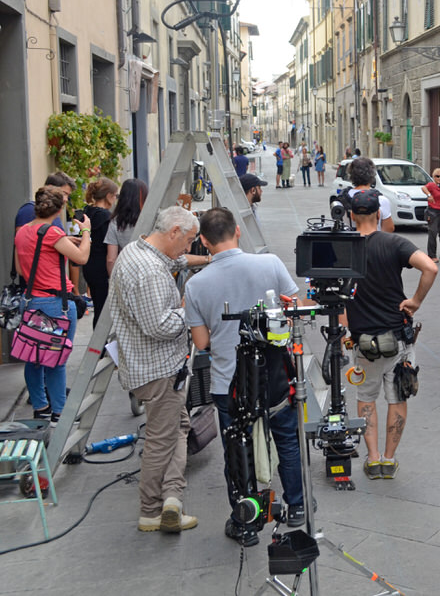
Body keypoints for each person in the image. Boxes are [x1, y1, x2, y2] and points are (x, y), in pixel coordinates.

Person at [183, 208, 305, 547]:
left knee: (238, 450)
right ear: (238, 231)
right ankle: (296, 506)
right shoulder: (270, 264)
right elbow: (293, 309)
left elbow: (201, 343)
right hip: (275, 376)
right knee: (287, 440)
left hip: (229, 382)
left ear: (203, 241)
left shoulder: (195, 285)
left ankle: (246, 522)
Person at [106, 206, 201, 533]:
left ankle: (172, 497)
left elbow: (174, 260)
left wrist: (208, 259)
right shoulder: (149, 272)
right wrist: (190, 310)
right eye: (188, 240)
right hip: (157, 370)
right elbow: (159, 326)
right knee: (161, 440)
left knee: (178, 428)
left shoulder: (139, 250)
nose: (188, 247)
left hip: (150, 366)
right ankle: (150, 510)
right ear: (174, 231)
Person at [344, 191, 437, 479]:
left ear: (351, 215)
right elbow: (430, 267)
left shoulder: (344, 247)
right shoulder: (394, 243)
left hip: (363, 341)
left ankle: (372, 459)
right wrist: (415, 301)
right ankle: (389, 459)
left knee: (366, 397)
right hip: (396, 336)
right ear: (378, 214)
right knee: (397, 397)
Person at [14, 186, 91, 423]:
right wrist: (86, 232)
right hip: (56, 303)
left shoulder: (23, 231)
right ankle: (60, 412)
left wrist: (62, 242)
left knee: (33, 356)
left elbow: (20, 269)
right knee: (57, 360)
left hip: (31, 301)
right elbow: (81, 257)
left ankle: (41, 407)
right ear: (59, 209)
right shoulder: (52, 232)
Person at [80, 178, 119, 326]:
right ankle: (99, 340)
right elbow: (109, 245)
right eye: (115, 196)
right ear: (108, 196)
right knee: (104, 311)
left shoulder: (87, 212)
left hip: (89, 264)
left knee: (98, 306)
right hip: (102, 266)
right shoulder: (105, 217)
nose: (115, 200)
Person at [105, 178, 149, 276]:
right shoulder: (150, 219)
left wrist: (113, 280)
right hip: (150, 270)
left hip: (127, 272)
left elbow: (111, 259)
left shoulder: (115, 222)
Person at [346, 157, 395, 232]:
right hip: (375, 238)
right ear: (372, 175)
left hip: (350, 239)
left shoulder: (343, 198)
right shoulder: (381, 200)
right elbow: (388, 228)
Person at [421, 167, 440, 262]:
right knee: (433, 233)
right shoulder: (432, 185)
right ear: (434, 176)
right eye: (437, 176)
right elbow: (423, 188)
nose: (439, 178)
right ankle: (432, 255)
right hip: (433, 212)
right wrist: (429, 195)